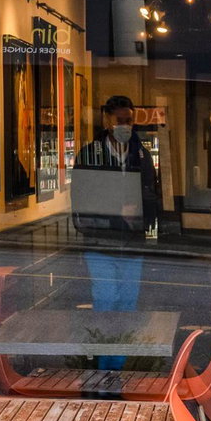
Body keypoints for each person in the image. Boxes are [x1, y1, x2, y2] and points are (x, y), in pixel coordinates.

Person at [73, 97, 163, 355]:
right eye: (119, 120)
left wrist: (144, 218)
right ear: (107, 120)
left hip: (132, 243)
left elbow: (152, 195)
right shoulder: (89, 154)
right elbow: (81, 201)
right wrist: (116, 213)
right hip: (100, 241)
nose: (125, 126)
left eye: (129, 121)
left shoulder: (142, 155)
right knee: (106, 298)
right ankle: (104, 359)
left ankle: (120, 361)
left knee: (127, 303)